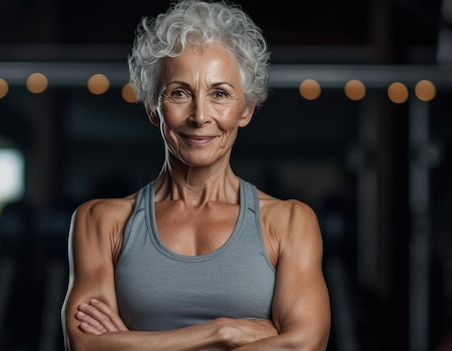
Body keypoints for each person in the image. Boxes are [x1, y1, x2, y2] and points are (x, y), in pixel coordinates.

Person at [61, 0, 331, 350]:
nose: (200, 115)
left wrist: (131, 343)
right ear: (153, 109)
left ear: (246, 109)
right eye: (179, 93)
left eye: (220, 93)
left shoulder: (290, 222)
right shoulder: (100, 222)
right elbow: (86, 347)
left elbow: (302, 346)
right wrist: (223, 332)